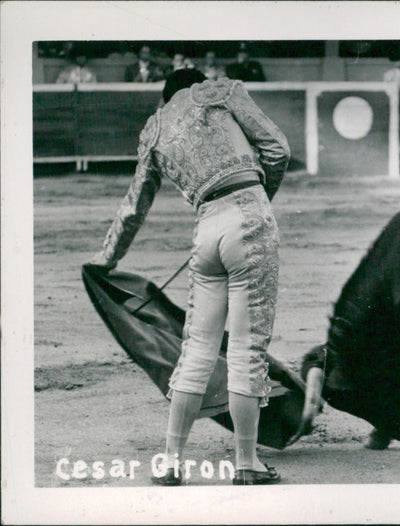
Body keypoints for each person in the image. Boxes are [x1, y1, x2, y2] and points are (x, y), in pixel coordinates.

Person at [89, 69, 290, 486]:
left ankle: (172, 461)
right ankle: (247, 462)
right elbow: (278, 149)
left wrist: (105, 259)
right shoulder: (222, 92)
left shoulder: (157, 128)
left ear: (166, 97)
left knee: (196, 350)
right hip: (249, 218)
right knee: (246, 351)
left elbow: (133, 209)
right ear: (196, 84)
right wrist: (258, 197)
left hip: (206, 231)